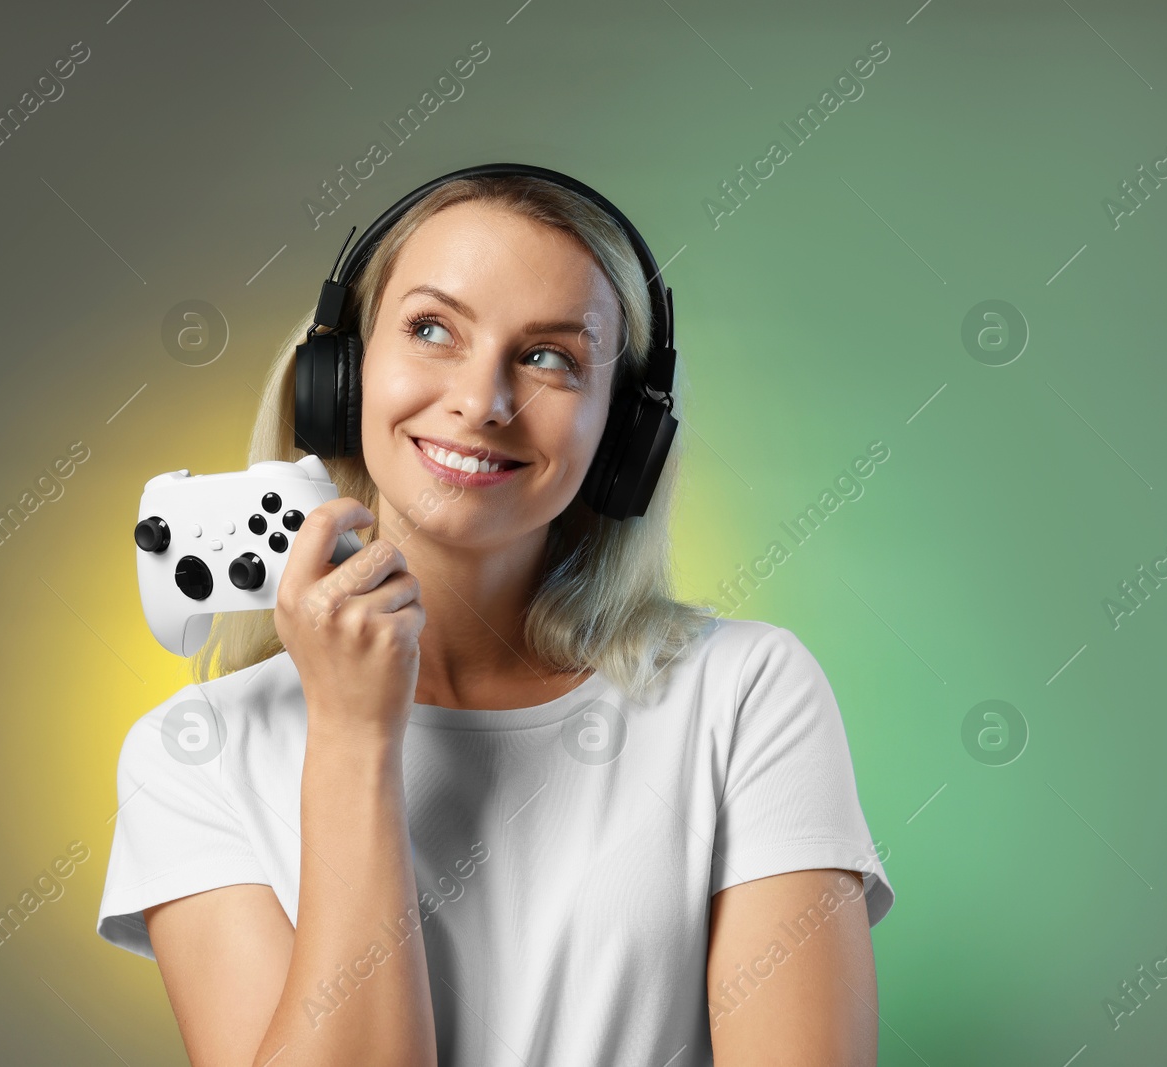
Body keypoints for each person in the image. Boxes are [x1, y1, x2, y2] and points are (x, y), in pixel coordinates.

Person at [97, 168, 895, 1067]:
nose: (483, 400)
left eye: (551, 355)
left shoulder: (746, 694)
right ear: (341, 374)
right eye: (432, 328)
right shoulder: (193, 751)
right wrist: (354, 739)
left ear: (624, 431)